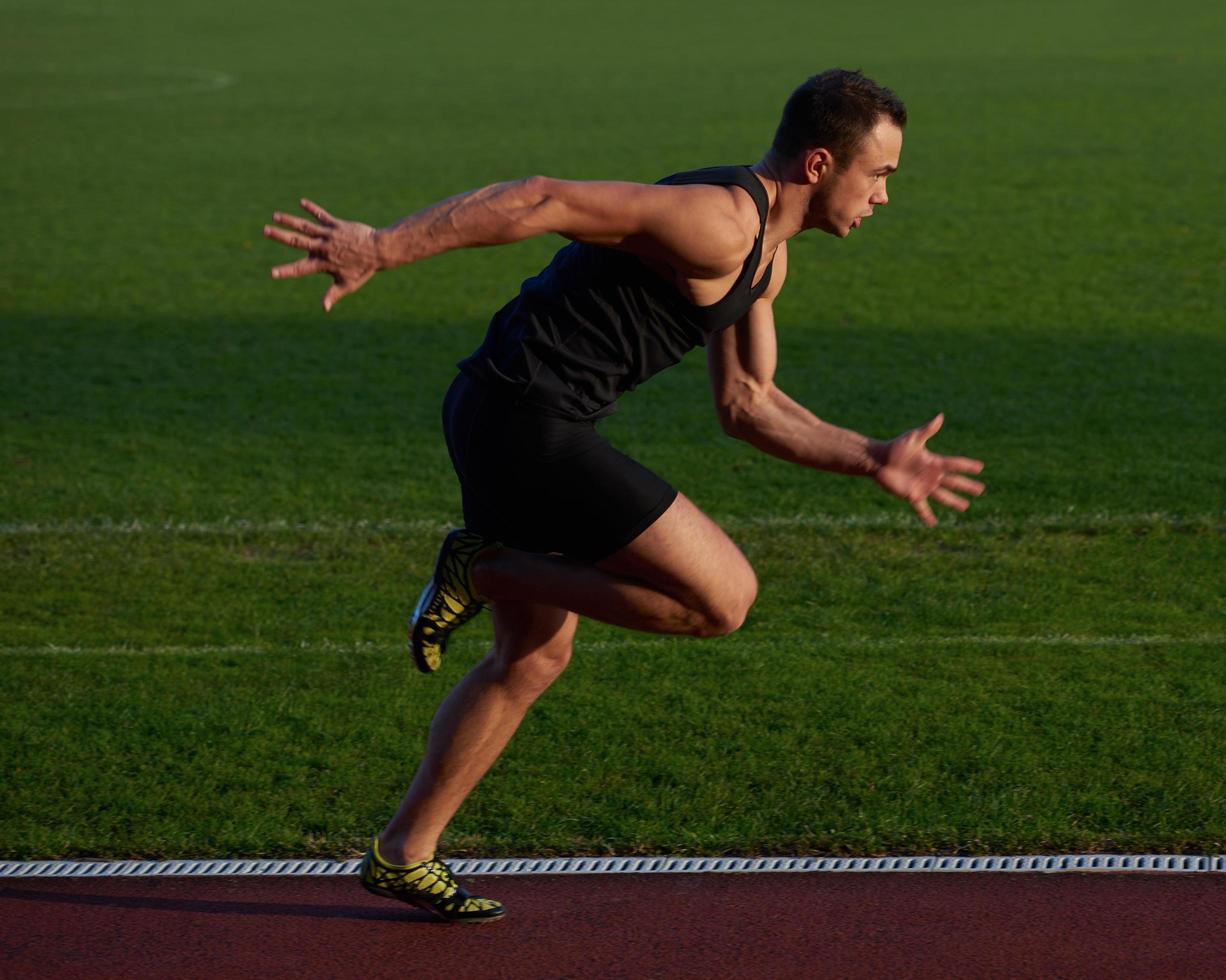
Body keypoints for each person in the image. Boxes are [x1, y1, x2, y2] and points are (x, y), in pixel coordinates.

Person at [263, 69, 984, 922]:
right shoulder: (717, 222)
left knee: (533, 658)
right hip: (525, 420)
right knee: (722, 600)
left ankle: (402, 852)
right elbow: (541, 198)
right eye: (882, 174)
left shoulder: (767, 259)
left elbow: (748, 405)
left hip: (518, 418)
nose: (885, 197)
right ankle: (486, 570)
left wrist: (873, 457)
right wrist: (382, 246)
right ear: (823, 163)